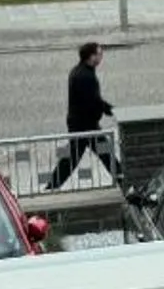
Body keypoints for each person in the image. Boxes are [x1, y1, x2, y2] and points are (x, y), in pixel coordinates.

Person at [47, 41, 117, 189]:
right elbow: (93, 101)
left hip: (82, 124)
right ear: (91, 57)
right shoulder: (86, 76)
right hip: (85, 126)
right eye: (99, 54)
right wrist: (110, 110)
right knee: (104, 155)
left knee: (74, 158)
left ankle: (51, 187)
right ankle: (125, 181)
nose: (101, 57)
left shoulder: (79, 71)